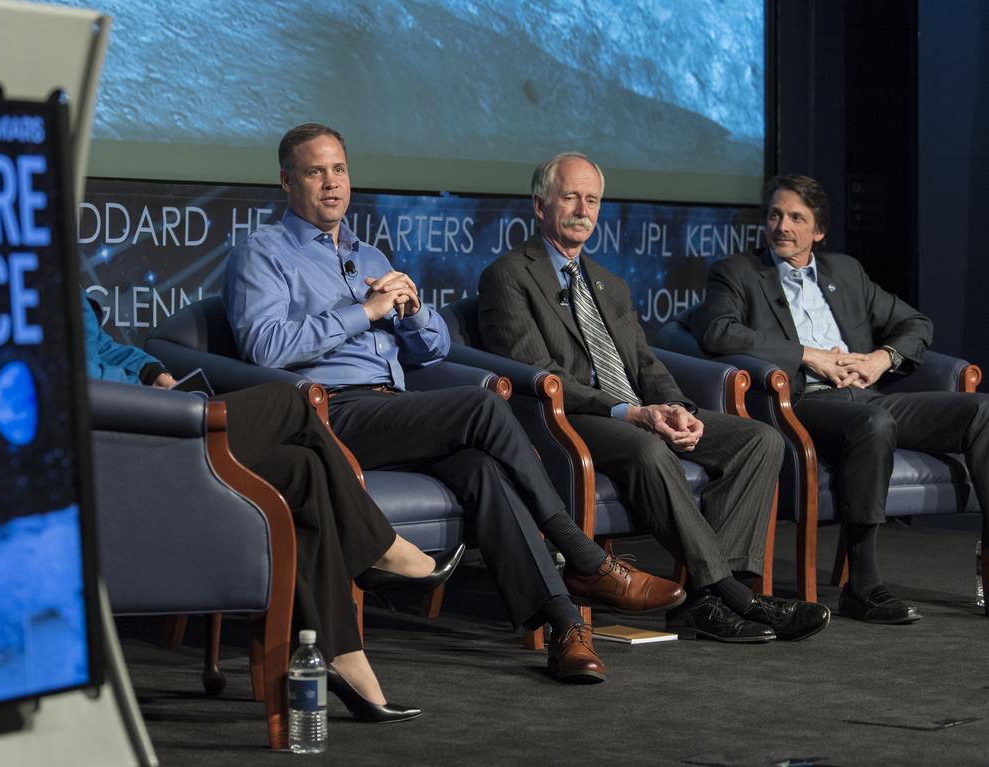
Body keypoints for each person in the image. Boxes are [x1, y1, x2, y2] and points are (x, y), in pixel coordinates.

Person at [222, 123, 687, 684]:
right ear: (285, 181)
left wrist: (413, 310)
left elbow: (434, 348)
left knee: (482, 468)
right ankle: (582, 556)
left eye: (339, 170)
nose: (331, 184)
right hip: (327, 416)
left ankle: (566, 628)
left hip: (393, 410)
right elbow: (265, 347)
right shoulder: (262, 252)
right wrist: (364, 312)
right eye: (315, 171)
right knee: (480, 406)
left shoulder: (368, 252)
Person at [478, 153, 829, 643]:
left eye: (592, 199)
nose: (583, 208)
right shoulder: (509, 275)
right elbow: (539, 373)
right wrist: (631, 412)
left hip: (638, 411)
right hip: (569, 420)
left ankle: (703, 604)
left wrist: (678, 411)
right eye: (570, 197)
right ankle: (733, 595)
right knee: (646, 447)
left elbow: (645, 365)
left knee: (760, 440)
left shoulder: (611, 284)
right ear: (540, 205)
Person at [693, 173, 989, 626]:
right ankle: (863, 585)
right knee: (874, 425)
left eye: (796, 218)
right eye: (776, 215)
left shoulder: (845, 272)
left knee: (988, 409)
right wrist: (809, 356)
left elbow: (916, 324)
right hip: (804, 403)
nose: (783, 226)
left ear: (818, 231)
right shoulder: (738, 272)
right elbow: (717, 331)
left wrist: (883, 358)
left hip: (867, 392)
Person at [82, 292, 453, 721]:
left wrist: (152, 373)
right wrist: (147, 395)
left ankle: (342, 656)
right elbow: (68, 376)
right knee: (287, 401)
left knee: (303, 469)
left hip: (158, 416)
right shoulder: (7, 299)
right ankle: (381, 550)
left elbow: (100, 346)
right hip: (119, 440)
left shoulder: (57, 283)